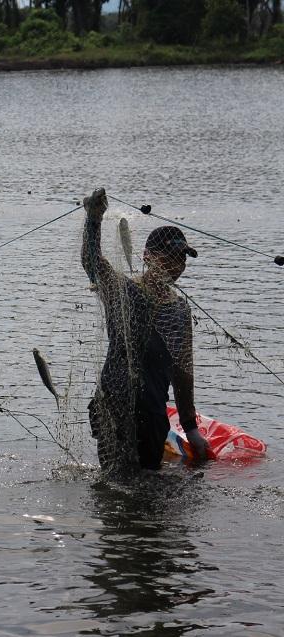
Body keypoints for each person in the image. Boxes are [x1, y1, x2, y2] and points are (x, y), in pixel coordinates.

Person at [81, 188, 211, 478]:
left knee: (147, 494)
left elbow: (182, 370)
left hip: (153, 415)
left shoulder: (179, 310)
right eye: (170, 258)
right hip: (114, 405)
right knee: (116, 483)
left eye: (182, 260)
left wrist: (191, 428)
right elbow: (93, 262)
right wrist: (93, 220)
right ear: (148, 257)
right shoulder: (123, 291)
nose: (177, 266)